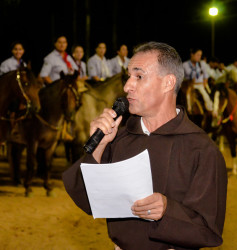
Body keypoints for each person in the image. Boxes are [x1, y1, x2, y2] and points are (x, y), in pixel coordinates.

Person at [62, 42, 227, 250]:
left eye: (138, 76)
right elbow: (87, 200)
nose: (127, 86)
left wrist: (168, 210)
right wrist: (99, 146)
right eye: (128, 76)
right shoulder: (119, 139)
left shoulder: (202, 150)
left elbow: (209, 231)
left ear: (168, 83)